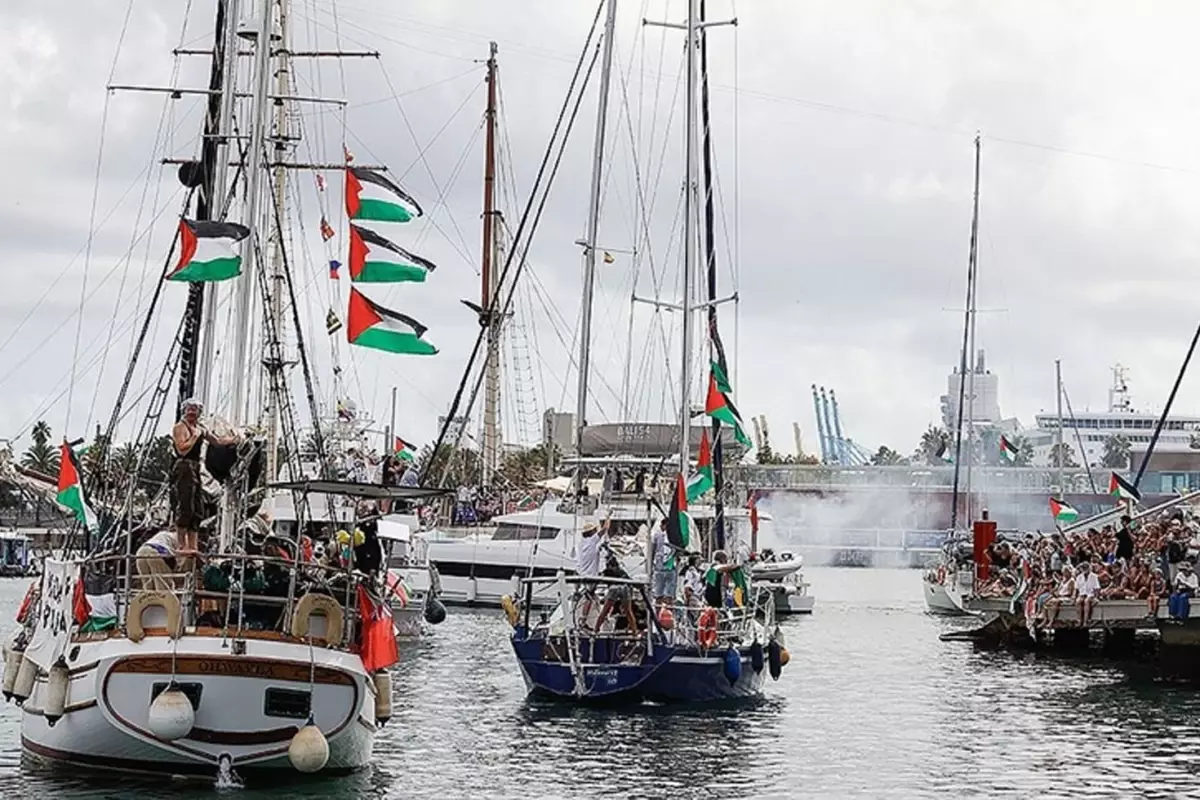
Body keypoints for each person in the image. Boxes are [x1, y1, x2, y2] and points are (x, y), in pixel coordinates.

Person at [171, 398, 236, 560]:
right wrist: (194, 436)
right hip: (184, 465)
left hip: (195, 467)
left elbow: (216, 441)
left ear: (199, 412)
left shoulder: (200, 428)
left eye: (195, 409)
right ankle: (181, 545)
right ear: (184, 411)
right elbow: (182, 449)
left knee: (197, 509)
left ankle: (192, 545)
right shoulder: (180, 427)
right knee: (186, 505)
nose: (192, 412)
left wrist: (235, 440)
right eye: (189, 409)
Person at [648, 519, 678, 612]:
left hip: (661, 568)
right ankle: (668, 615)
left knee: (659, 595)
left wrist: (650, 568)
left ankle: (660, 615)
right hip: (669, 568)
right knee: (668, 596)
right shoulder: (675, 537)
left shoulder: (657, 536)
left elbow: (652, 552)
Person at [1074, 560, 1101, 626]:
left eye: (1086, 568)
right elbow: (1076, 589)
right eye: (1083, 568)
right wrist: (1074, 596)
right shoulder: (1079, 577)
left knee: (1087, 601)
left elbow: (1097, 588)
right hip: (1082, 594)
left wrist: (1096, 598)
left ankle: (1085, 621)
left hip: (1091, 594)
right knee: (1078, 601)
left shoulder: (1094, 576)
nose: (1085, 569)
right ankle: (1079, 620)